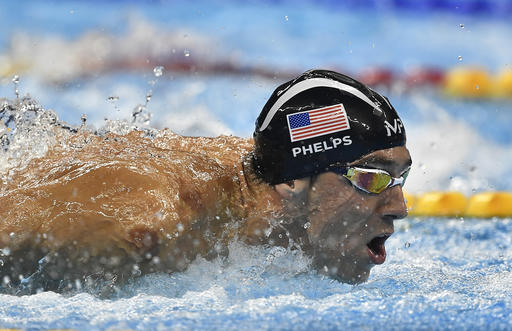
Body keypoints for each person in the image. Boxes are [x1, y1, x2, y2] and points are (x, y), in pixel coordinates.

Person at [0, 69, 411, 293]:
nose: (399, 207)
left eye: (399, 178)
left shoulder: (263, 178)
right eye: (370, 179)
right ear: (292, 184)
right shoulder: (144, 227)